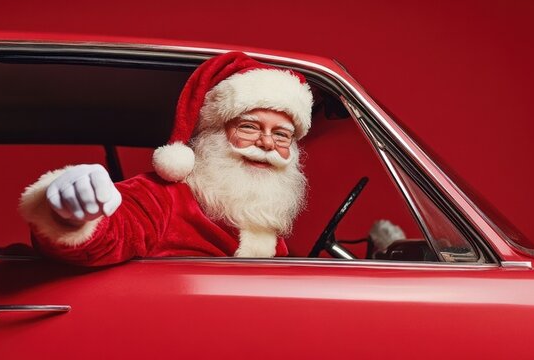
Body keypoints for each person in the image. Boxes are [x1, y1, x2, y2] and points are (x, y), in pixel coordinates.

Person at [18, 52, 314, 266]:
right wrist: (72, 218)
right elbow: (116, 232)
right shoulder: (162, 198)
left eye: (281, 135)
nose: (266, 143)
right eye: (248, 127)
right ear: (214, 135)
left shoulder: (262, 217)